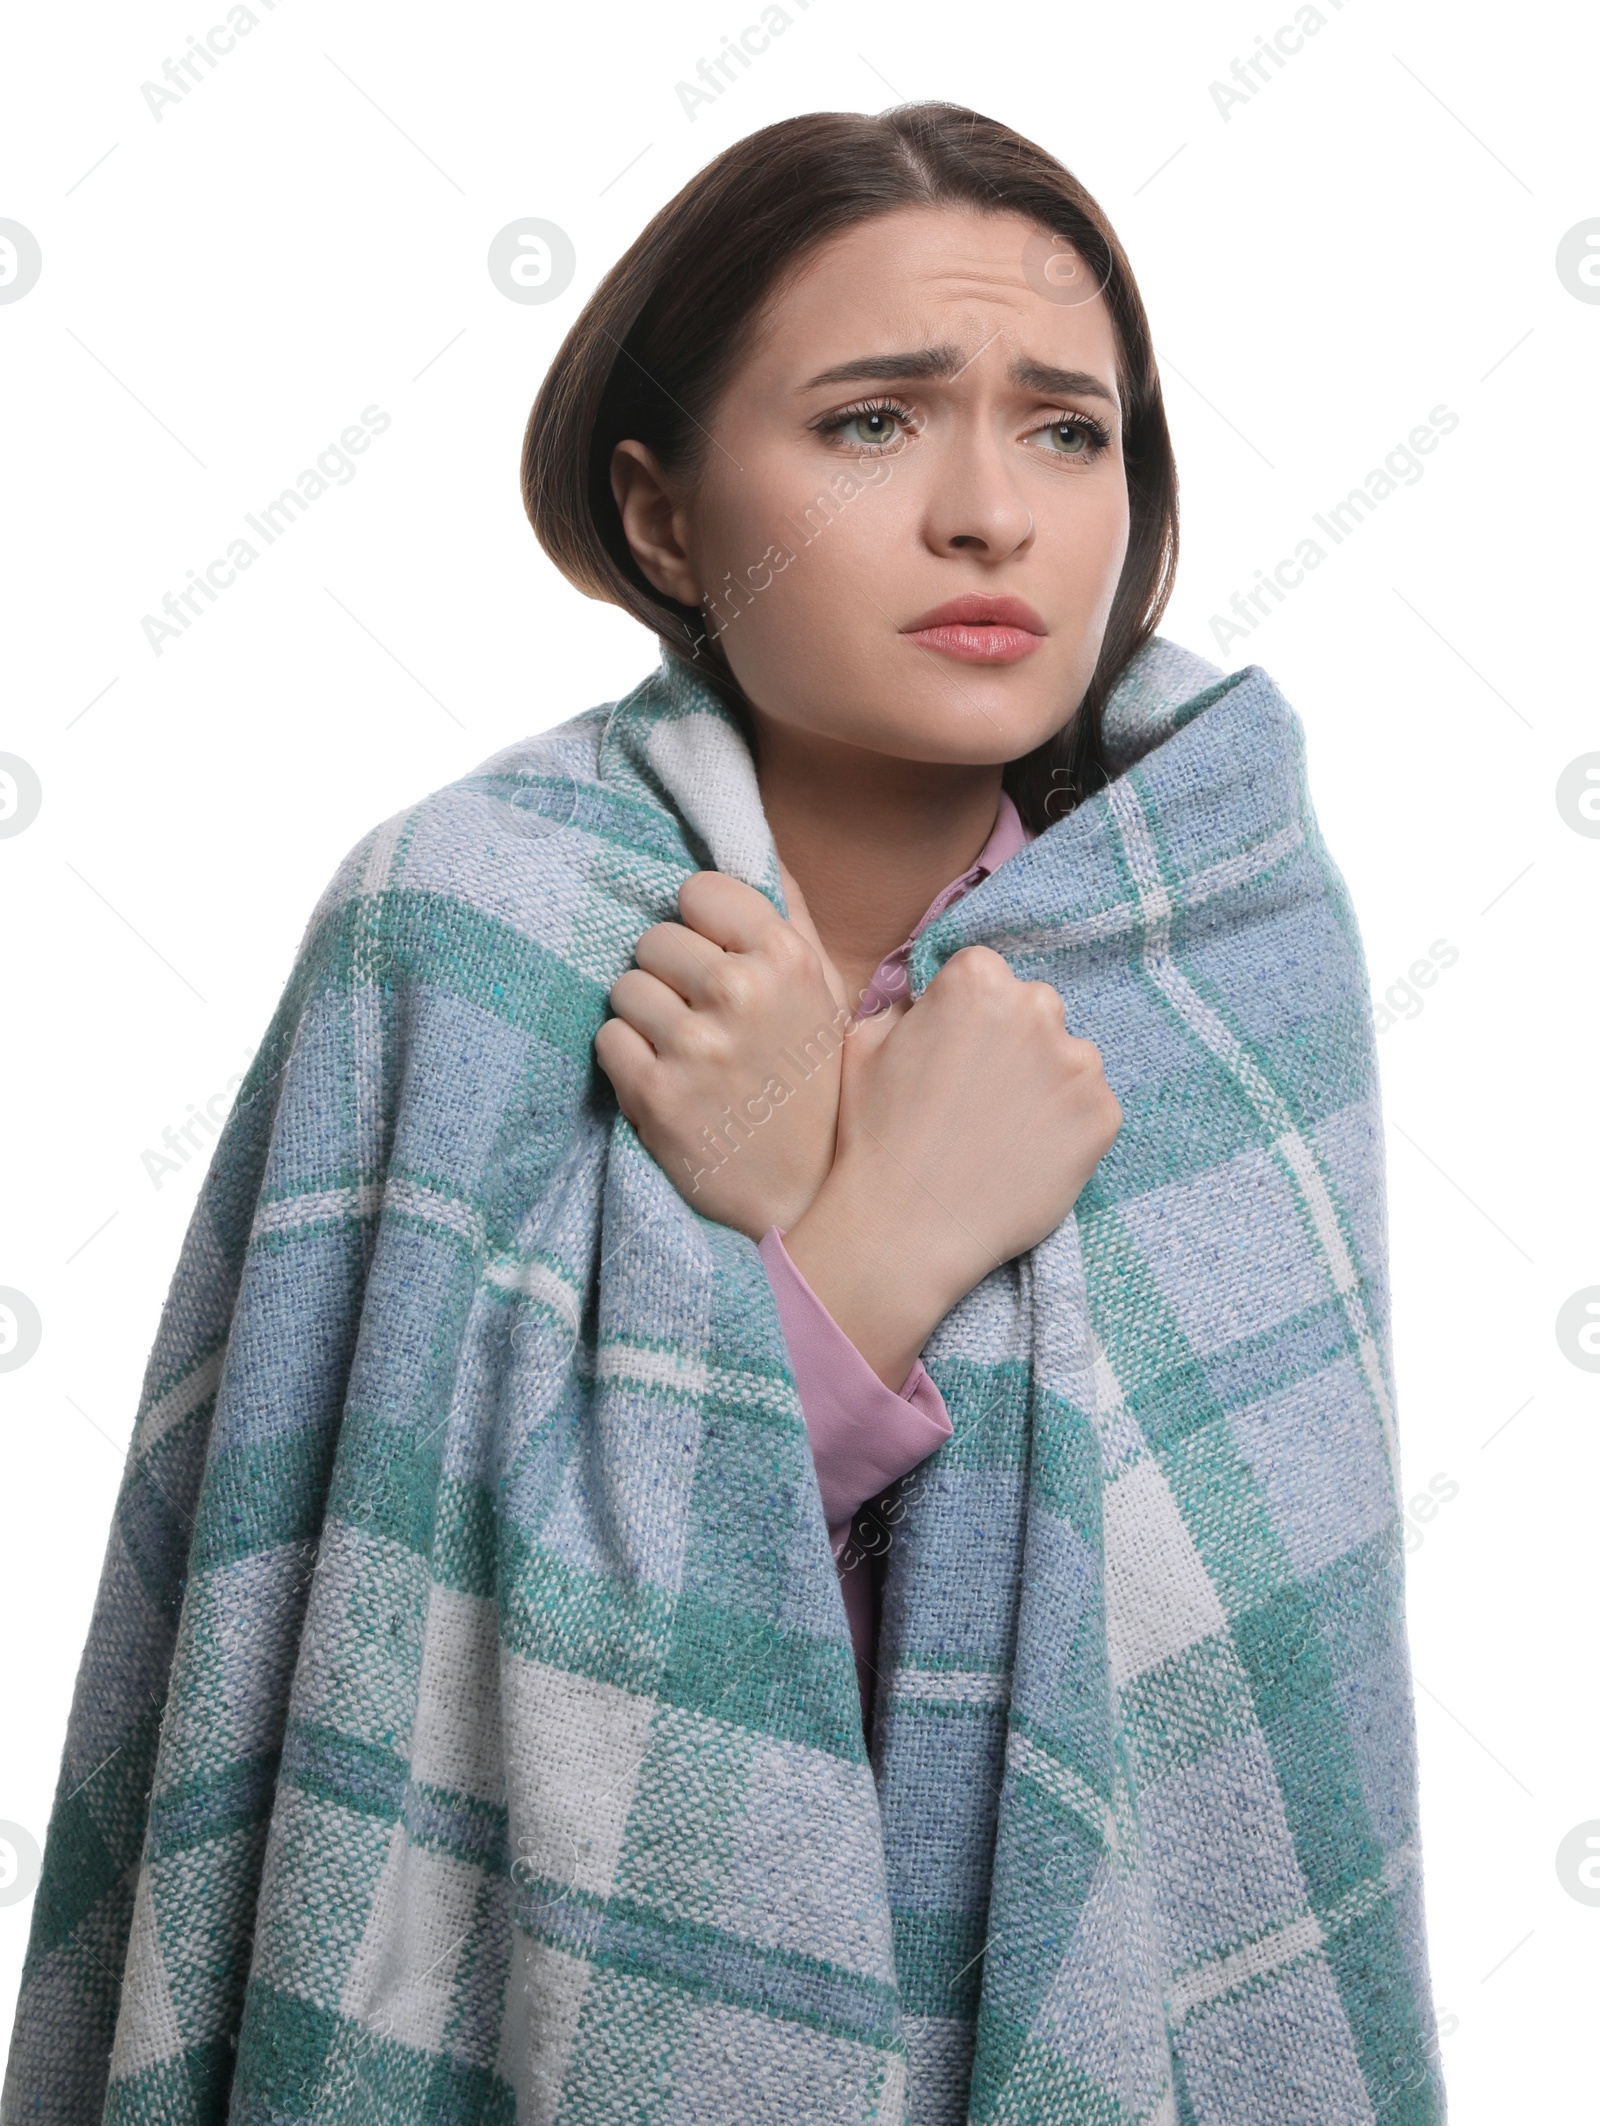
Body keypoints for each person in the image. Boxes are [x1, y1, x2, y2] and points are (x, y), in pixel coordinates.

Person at [3, 103, 1445, 2126]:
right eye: (870, 423)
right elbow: (393, 1678)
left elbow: (1244, 1719)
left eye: (1065, 429)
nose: (987, 514)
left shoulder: (1224, 943)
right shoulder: (463, 930)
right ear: (666, 518)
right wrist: (849, 1261)